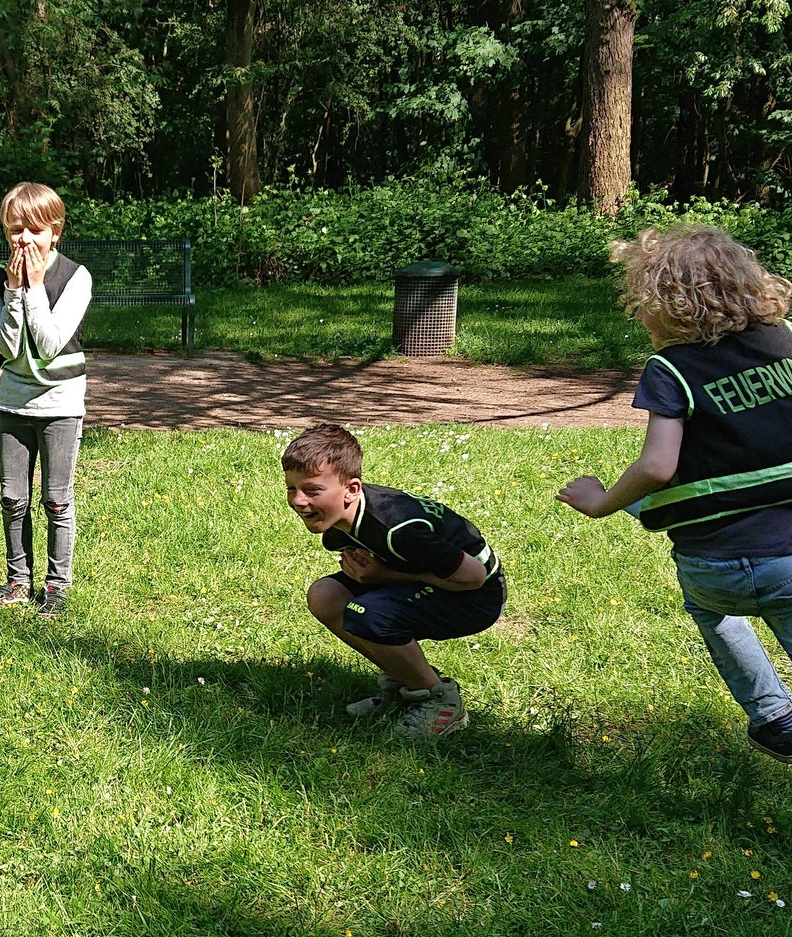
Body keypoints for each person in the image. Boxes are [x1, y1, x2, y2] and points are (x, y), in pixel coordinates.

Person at [558, 224, 792, 763]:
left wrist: (599, 501)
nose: (637, 316)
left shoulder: (671, 368)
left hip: (715, 568)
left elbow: (659, 468)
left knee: (711, 610)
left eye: (642, 303)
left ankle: (775, 715)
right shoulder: (786, 343)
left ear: (679, 304)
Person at [284, 423, 506, 737]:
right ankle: (405, 681)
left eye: (312, 490)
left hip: (476, 596)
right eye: (292, 488)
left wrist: (386, 576)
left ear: (352, 489)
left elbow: (474, 577)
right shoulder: (338, 523)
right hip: (432, 575)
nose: (298, 500)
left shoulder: (397, 530)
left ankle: (439, 701)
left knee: (366, 614)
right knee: (325, 596)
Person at [0, 181, 93, 617]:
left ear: (55, 232)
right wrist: (13, 290)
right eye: (15, 230)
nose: (24, 239)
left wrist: (33, 288)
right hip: (14, 404)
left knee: (57, 500)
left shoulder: (74, 277)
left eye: (34, 230)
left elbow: (48, 344)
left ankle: (57, 585)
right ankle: (17, 581)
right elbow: (7, 347)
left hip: (61, 405)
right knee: (12, 498)